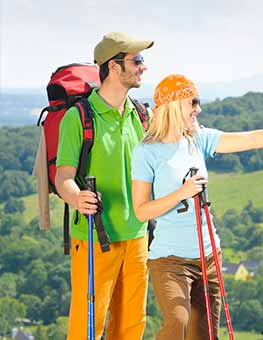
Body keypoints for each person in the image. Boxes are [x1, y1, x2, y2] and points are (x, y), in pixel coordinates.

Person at [131, 74, 263, 339]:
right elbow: (141, 210)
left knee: (206, 334)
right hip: (169, 260)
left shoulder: (199, 140)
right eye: (193, 102)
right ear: (173, 105)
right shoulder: (146, 152)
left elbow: (252, 138)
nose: (199, 109)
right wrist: (181, 193)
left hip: (208, 256)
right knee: (178, 323)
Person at [55, 32, 153, 339]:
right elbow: (63, 177)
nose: (143, 67)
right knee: (88, 327)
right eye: (136, 60)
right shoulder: (79, 118)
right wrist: (76, 197)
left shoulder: (141, 114)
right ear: (113, 66)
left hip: (137, 236)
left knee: (131, 326)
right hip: (95, 237)